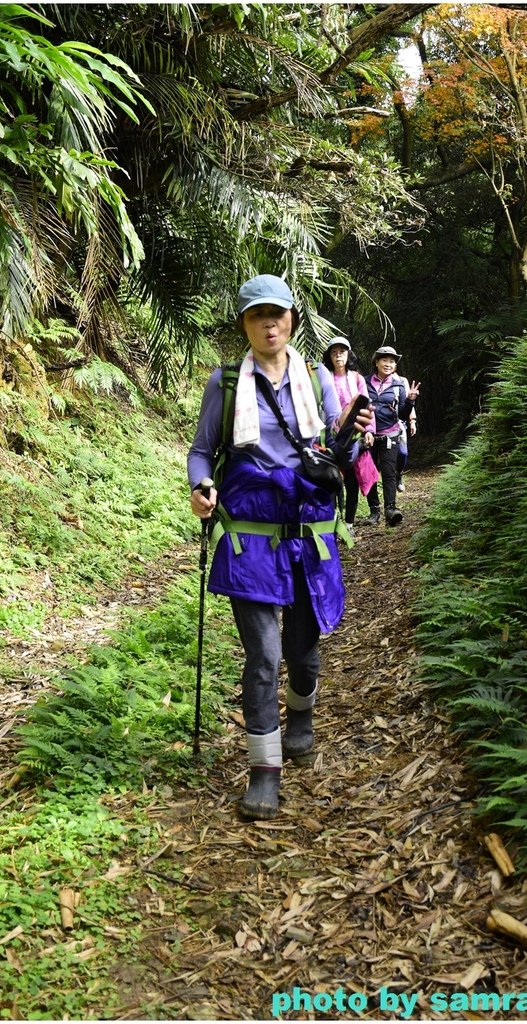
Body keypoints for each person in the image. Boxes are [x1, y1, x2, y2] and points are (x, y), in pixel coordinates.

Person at [188, 274, 372, 821]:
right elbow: (202, 451)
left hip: (309, 535)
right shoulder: (224, 384)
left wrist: (352, 434)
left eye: (278, 313)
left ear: (293, 318)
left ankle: (302, 715)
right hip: (250, 539)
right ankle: (264, 771)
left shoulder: (316, 379)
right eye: (256, 315)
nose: (269, 324)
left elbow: (330, 452)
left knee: (301, 651)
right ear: (244, 324)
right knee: (263, 658)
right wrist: (201, 488)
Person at [321, 336, 375, 537]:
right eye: (334, 352)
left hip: (355, 435)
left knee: (352, 480)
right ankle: (333, 523)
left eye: (341, 352)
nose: (338, 356)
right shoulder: (324, 377)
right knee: (333, 480)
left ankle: (350, 524)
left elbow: (368, 405)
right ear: (329, 356)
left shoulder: (357, 378)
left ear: (348, 354)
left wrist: (369, 430)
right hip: (331, 437)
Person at [363, 346, 420, 527]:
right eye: (385, 360)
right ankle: (374, 511)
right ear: (377, 362)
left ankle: (390, 509)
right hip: (367, 435)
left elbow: (403, 414)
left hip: (390, 434)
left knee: (388, 473)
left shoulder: (397, 386)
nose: (388, 364)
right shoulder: (364, 383)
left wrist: (410, 400)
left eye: (392, 361)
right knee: (370, 474)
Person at [396, 375, 417, 492]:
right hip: (381, 424)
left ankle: (398, 474)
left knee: (402, 452)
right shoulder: (375, 379)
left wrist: (412, 421)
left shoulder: (402, 380)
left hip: (400, 423)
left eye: (391, 360)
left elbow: (409, 401)